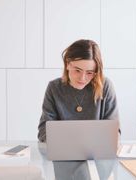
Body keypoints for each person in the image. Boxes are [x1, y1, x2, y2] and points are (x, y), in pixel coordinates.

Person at [37, 39, 119, 180]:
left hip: (99, 165)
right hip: (63, 163)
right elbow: (44, 130)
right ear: (67, 64)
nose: (82, 78)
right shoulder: (54, 88)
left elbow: (113, 132)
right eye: (77, 70)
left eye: (90, 73)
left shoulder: (105, 86)